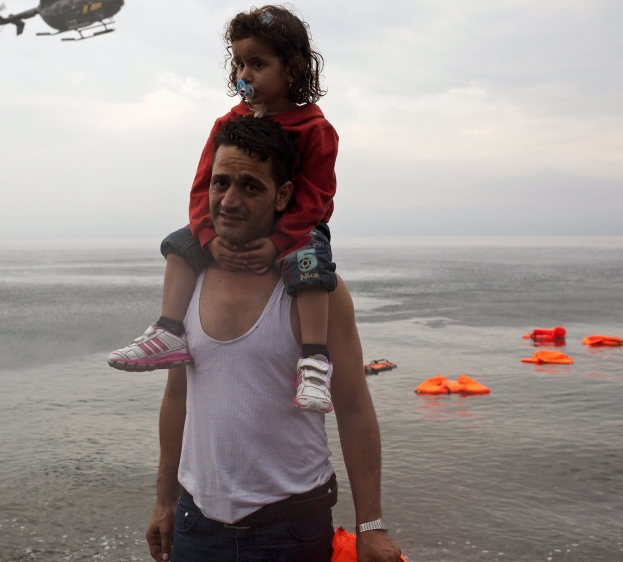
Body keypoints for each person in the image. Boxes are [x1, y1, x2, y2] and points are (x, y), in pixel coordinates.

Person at [144, 117, 402, 562]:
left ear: (283, 194)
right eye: (220, 182)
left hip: (291, 529)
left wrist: (371, 526)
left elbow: (355, 406)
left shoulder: (315, 291)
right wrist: (164, 500)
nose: (229, 200)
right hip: (195, 524)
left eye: (250, 186)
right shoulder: (190, 278)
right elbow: (177, 397)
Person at [108, 5, 340, 414]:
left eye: (258, 63)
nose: (244, 75)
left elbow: (316, 197)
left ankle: (315, 360)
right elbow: (203, 188)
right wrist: (208, 238)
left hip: (296, 230)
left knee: (313, 268)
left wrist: (277, 243)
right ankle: (168, 331)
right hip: (230, 228)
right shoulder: (225, 124)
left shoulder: (315, 129)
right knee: (179, 245)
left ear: (294, 69)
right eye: (239, 63)